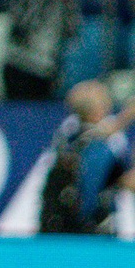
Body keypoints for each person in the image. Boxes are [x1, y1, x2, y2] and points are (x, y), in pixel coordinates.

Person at [37, 80, 134, 236]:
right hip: (88, 229)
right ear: (98, 110)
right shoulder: (98, 148)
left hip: (57, 224)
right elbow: (125, 180)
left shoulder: (68, 132)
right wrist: (127, 115)